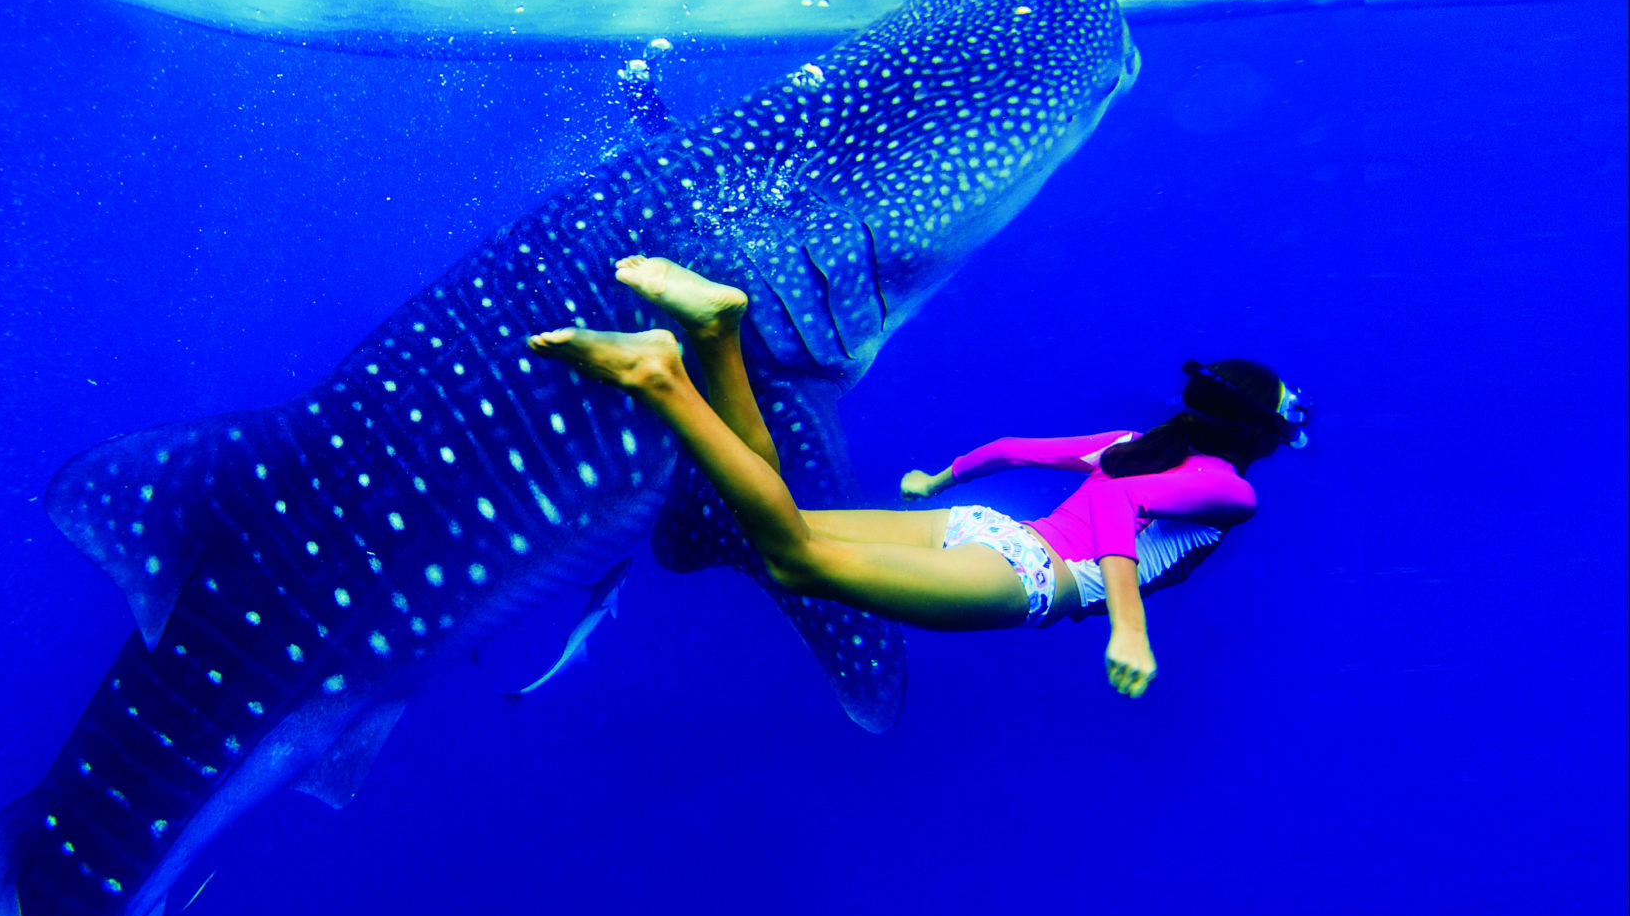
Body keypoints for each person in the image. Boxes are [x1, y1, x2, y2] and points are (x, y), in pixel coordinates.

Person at [528, 256, 1307, 698]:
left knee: (768, 526)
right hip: (1029, 578)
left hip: (985, 530)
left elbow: (1016, 446)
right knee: (789, 556)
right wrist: (1129, 627)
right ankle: (663, 376)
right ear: (1260, 433)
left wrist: (940, 481)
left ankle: (716, 335)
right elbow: (1123, 503)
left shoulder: (1138, 441)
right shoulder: (1232, 492)